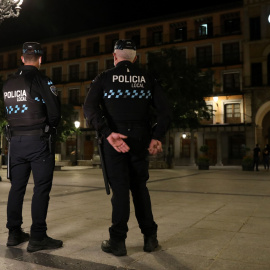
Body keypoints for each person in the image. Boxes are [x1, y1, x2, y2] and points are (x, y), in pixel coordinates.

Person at [83, 39, 171, 256]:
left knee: (120, 189)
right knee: (140, 187)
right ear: (135, 58)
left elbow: (89, 108)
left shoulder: (104, 78)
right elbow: (166, 110)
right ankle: (150, 238)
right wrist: (156, 136)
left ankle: (118, 241)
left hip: (115, 140)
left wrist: (107, 132)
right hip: (141, 138)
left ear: (114, 57)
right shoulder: (147, 78)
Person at [2, 42, 63, 252]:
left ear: (21, 58)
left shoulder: (8, 82)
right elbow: (55, 113)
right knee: (41, 189)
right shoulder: (42, 80)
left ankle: (13, 233)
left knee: (16, 188)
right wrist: (49, 129)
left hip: (15, 143)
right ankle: (37, 236)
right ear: (40, 59)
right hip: (38, 141)